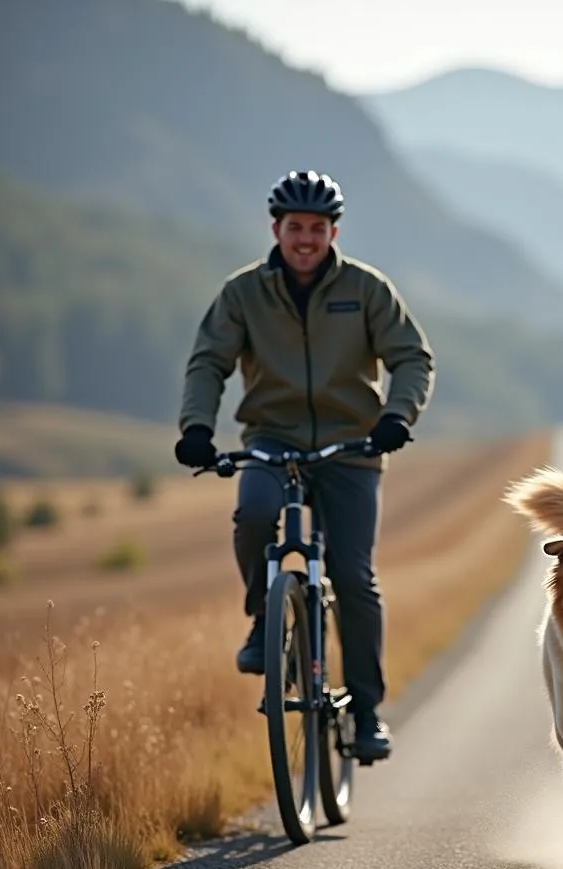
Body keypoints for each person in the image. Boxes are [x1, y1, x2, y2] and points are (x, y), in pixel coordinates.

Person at [173, 169, 435, 762]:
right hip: (270, 436)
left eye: (318, 228)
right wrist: (195, 428)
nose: (306, 239)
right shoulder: (243, 294)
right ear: (277, 229)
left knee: (353, 578)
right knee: (254, 513)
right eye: (296, 228)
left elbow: (412, 358)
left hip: (352, 448)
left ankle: (366, 712)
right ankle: (265, 619)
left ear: (333, 231)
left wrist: (396, 417)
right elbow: (207, 363)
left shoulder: (367, 290)